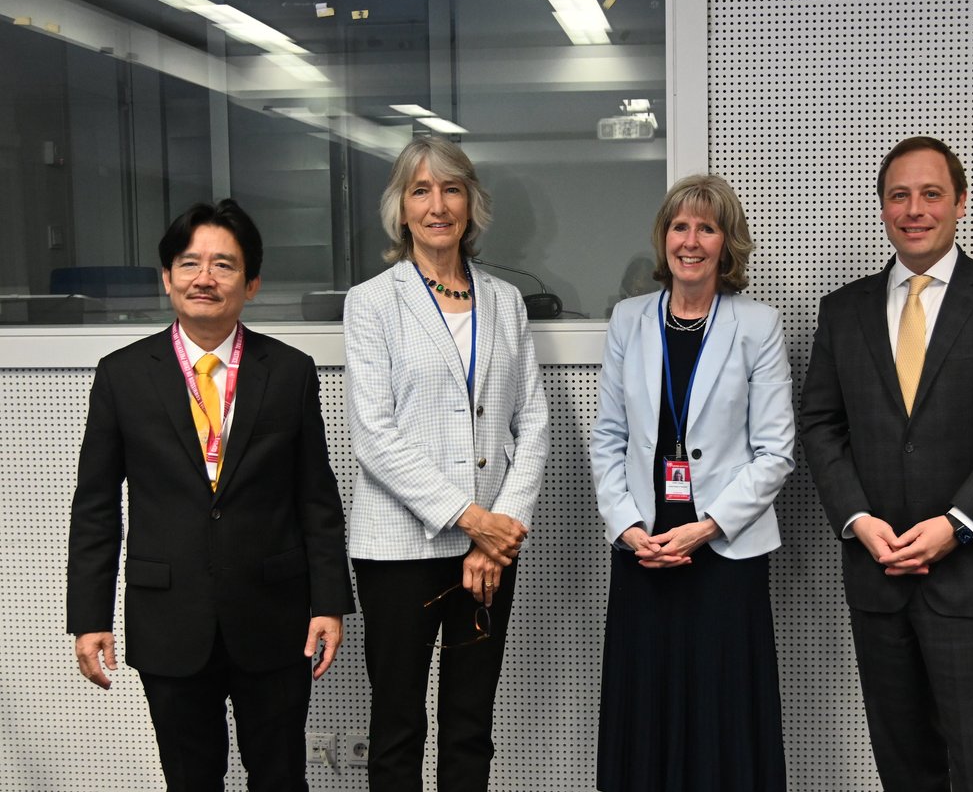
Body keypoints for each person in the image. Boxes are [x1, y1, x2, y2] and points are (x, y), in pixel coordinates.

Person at [797, 136, 973, 791]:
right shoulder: (843, 310)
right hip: (877, 573)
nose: (914, 209)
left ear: (960, 203)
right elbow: (820, 424)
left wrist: (957, 522)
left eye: (931, 193)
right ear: (883, 207)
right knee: (904, 767)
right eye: (899, 195)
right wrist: (857, 518)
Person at [67, 199, 355, 790]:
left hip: (273, 616)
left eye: (224, 265)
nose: (205, 278)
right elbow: (96, 505)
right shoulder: (121, 374)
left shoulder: (291, 370)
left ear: (251, 283)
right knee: (190, 779)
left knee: (279, 776)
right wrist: (88, 616)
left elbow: (316, 498)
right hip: (169, 617)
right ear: (166, 277)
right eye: (189, 262)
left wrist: (329, 601)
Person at [343, 135, 549, 791]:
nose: (438, 204)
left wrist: (498, 531)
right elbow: (374, 436)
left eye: (451, 188)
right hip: (399, 551)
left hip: (488, 556)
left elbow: (533, 425)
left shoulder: (505, 302)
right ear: (401, 210)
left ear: (472, 204)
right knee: (399, 725)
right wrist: (473, 518)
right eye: (421, 190)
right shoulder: (373, 302)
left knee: (470, 724)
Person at [590, 174, 795, 792]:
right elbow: (609, 438)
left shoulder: (756, 324)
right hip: (644, 551)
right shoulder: (629, 320)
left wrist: (705, 529)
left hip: (724, 552)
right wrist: (628, 528)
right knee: (645, 706)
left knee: (721, 711)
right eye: (680, 226)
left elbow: (776, 450)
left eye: (707, 227)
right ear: (664, 238)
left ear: (727, 243)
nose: (692, 240)